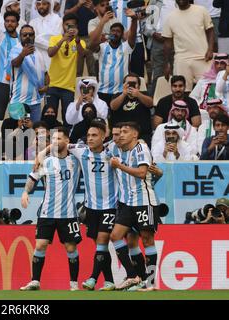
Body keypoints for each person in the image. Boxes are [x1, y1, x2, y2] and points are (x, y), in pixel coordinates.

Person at [20, 127, 82, 291]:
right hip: (47, 212)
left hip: (68, 214)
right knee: (40, 245)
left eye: (59, 139)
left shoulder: (76, 161)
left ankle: (73, 284)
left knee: (71, 248)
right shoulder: (46, 162)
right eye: (52, 139)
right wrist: (26, 192)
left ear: (67, 141)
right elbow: (33, 178)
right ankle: (35, 281)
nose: (55, 142)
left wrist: (44, 150)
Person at [66, 120, 117, 291]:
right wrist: (39, 157)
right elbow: (60, 143)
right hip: (91, 208)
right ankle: (109, 281)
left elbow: (133, 141)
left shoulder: (112, 151)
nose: (90, 138)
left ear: (104, 136)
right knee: (100, 247)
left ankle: (93, 278)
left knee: (102, 242)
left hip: (110, 206)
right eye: (88, 135)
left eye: (94, 135)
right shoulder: (81, 151)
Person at [109, 122, 159, 291]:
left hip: (144, 201)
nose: (121, 134)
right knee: (116, 236)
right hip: (127, 203)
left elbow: (142, 173)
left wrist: (119, 166)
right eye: (119, 132)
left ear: (135, 135)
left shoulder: (141, 149)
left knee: (147, 239)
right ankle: (133, 276)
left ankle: (151, 283)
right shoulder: (117, 149)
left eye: (125, 132)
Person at [162, 0, 215, 92]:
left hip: (203, 57)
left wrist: (210, 49)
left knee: (208, 91)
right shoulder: (170, 17)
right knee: (182, 92)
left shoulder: (201, 10)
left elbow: (210, 31)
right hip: (181, 60)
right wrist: (166, 64)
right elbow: (167, 43)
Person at [88, 9, 138, 107]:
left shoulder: (126, 47)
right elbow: (92, 44)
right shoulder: (102, 46)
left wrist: (134, 20)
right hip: (102, 91)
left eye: (118, 31)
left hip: (121, 91)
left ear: (122, 34)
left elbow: (132, 35)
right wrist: (102, 22)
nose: (115, 33)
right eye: (113, 31)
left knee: (118, 120)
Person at [46, 13, 86, 125]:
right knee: (50, 115)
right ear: (63, 25)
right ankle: (50, 140)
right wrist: (63, 40)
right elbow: (50, 53)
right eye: (67, 25)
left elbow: (82, 55)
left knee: (67, 117)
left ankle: (66, 140)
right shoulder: (55, 38)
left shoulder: (80, 42)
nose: (69, 28)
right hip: (53, 84)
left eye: (72, 25)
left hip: (69, 87)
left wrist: (77, 40)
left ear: (77, 28)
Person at [10, 24, 48, 122]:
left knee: (36, 133)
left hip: (36, 101)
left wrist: (47, 86)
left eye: (30, 35)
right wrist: (23, 54)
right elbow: (15, 63)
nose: (28, 37)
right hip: (20, 102)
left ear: (34, 36)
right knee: (22, 133)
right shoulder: (16, 50)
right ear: (20, 37)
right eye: (25, 35)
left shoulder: (39, 53)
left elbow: (45, 73)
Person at [0, 0, 20, 121]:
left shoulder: (21, 41)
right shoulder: (0, 37)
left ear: (17, 24)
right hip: (2, 83)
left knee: (17, 117)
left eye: (12, 21)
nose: (9, 24)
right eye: (7, 21)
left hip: (17, 84)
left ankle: (14, 140)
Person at [109, 73, 154, 146]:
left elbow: (150, 103)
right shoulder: (118, 95)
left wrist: (138, 94)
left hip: (142, 135)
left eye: (133, 83)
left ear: (139, 86)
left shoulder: (144, 94)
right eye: (128, 83)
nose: (131, 85)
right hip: (121, 134)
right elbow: (113, 107)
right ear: (123, 85)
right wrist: (123, 94)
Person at [144, 0, 177, 96]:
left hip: (177, 42)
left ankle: (176, 104)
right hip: (158, 42)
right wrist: (153, 34)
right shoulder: (154, 2)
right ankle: (155, 103)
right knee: (158, 75)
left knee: (177, 74)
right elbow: (146, 25)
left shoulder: (181, 2)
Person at [64, 0, 96, 76]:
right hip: (75, 37)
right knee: (77, 69)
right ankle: (76, 85)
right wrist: (78, 5)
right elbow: (66, 14)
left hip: (91, 37)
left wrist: (93, 8)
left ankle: (95, 85)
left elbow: (102, 14)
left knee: (93, 69)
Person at [29, 0, 63, 70]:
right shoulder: (32, 23)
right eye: (38, 4)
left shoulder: (57, 20)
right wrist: (52, 45)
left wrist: (39, 39)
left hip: (54, 58)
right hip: (38, 59)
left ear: (50, 5)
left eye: (44, 4)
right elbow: (33, 40)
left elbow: (58, 39)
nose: (41, 6)